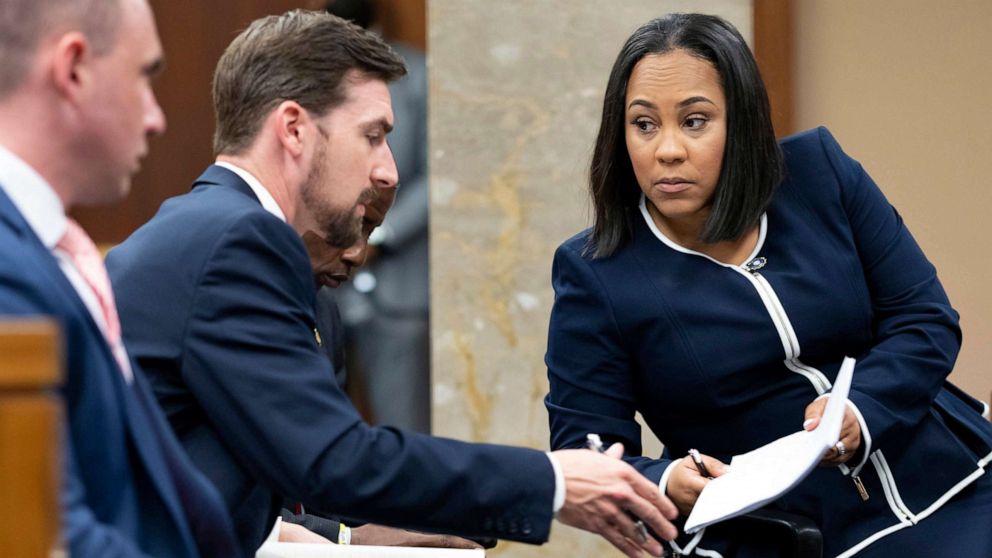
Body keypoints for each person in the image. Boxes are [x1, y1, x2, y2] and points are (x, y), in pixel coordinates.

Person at [106, 10, 679, 558]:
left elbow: (268, 471)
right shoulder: (238, 240)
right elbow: (333, 458)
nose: (389, 170)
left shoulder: (213, 228)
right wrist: (553, 480)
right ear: (294, 130)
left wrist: (362, 536)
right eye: (373, 135)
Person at [545, 13, 992, 558]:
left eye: (694, 121)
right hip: (772, 531)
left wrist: (862, 409)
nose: (666, 150)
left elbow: (924, 319)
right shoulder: (595, 269)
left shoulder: (820, 173)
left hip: (947, 480)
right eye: (643, 124)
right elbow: (585, 448)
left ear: (744, 122)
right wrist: (665, 481)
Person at [0, 0, 241, 556]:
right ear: (74, 69)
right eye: (143, 76)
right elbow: (49, 533)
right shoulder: (11, 265)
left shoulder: (49, 249)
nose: (156, 116)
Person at [326, 0, 433, 434]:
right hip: (324, 286)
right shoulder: (310, 75)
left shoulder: (417, 75)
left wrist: (379, 236)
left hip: (398, 292)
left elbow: (436, 176)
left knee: (403, 431)